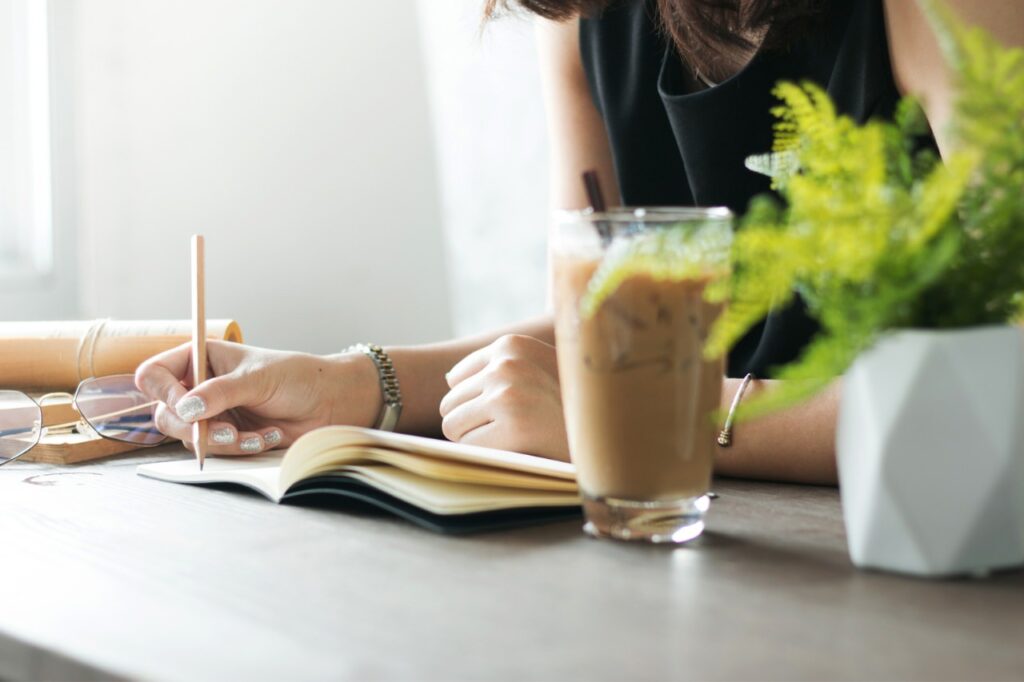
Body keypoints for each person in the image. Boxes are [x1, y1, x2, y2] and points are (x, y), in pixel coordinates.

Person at [135, 0, 1021, 484]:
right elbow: (601, 337)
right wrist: (354, 386)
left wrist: (640, 421)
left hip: (942, 558)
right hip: (715, 540)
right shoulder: (581, 18)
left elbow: (1004, 394)